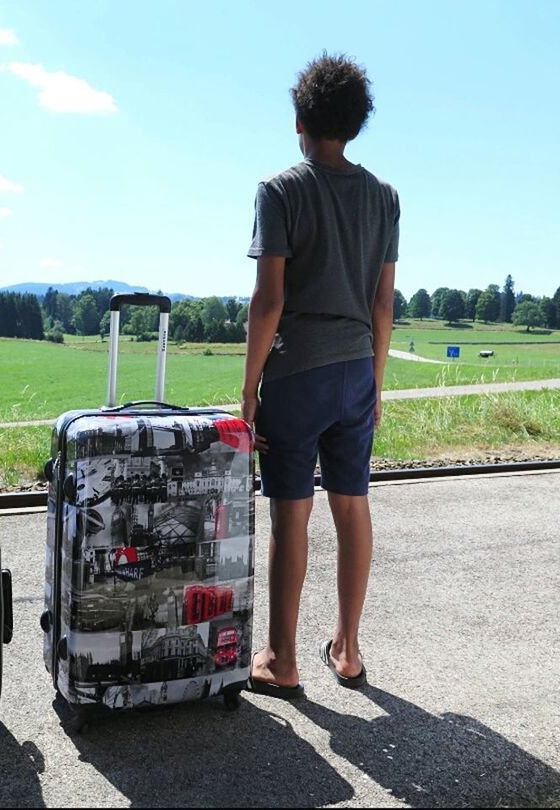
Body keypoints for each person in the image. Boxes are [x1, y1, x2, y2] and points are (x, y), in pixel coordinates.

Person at [243, 53, 399, 699]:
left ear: (298, 119)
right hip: (357, 371)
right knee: (352, 502)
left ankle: (281, 660)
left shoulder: (281, 189)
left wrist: (248, 387)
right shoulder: (384, 197)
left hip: (297, 371)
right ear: (356, 123)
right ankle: (349, 648)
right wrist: (377, 382)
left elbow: (268, 301)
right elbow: (383, 302)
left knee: (291, 515)